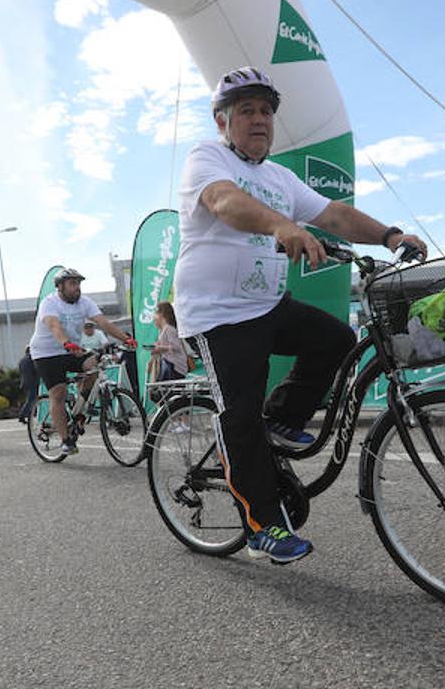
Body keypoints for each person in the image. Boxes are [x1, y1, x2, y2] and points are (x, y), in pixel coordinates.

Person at [174, 66, 427, 564]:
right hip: (218, 313)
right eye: (246, 110)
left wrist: (391, 236)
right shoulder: (207, 158)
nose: (259, 119)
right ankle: (262, 524)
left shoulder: (280, 176)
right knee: (240, 413)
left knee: (335, 340)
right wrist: (282, 226)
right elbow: (225, 202)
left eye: (266, 110)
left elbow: (334, 215)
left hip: (267, 304)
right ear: (222, 121)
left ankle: (283, 421)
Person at [28, 268, 135, 456]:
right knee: (58, 393)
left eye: (78, 283)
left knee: (94, 365)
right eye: (72, 283)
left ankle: (79, 410)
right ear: (60, 286)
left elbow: (103, 323)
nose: (77, 288)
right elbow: (54, 325)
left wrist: (125, 338)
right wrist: (65, 342)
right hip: (46, 353)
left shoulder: (84, 302)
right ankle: (65, 440)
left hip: (71, 350)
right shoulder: (50, 303)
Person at [150, 301, 192, 382]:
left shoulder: (169, 329)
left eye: (156, 312)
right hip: (172, 365)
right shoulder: (165, 329)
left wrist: (159, 348)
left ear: (161, 314)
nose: (154, 316)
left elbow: (176, 347)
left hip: (174, 366)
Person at [17, 346, 38, 423]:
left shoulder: (22, 360)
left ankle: (26, 415)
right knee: (31, 400)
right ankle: (22, 415)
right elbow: (36, 370)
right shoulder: (31, 359)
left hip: (25, 382)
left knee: (29, 399)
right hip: (32, 382)